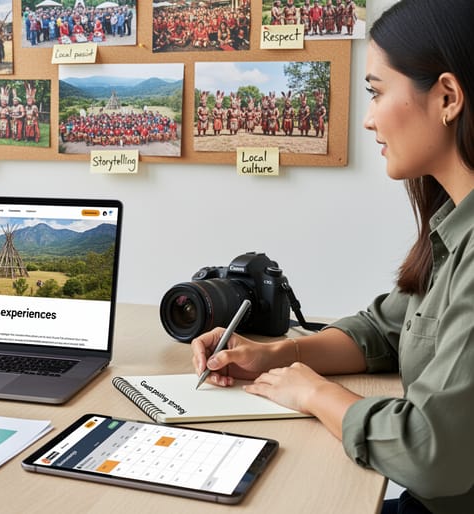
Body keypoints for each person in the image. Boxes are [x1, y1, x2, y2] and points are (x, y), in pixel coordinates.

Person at [191, 1, 474, 511]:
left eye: (376, 93)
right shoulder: (453, 228)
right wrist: (274, 355)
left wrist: (315, 394)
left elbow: (430, 453)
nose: (367, 121)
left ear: (448, 97)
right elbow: (383, 329)